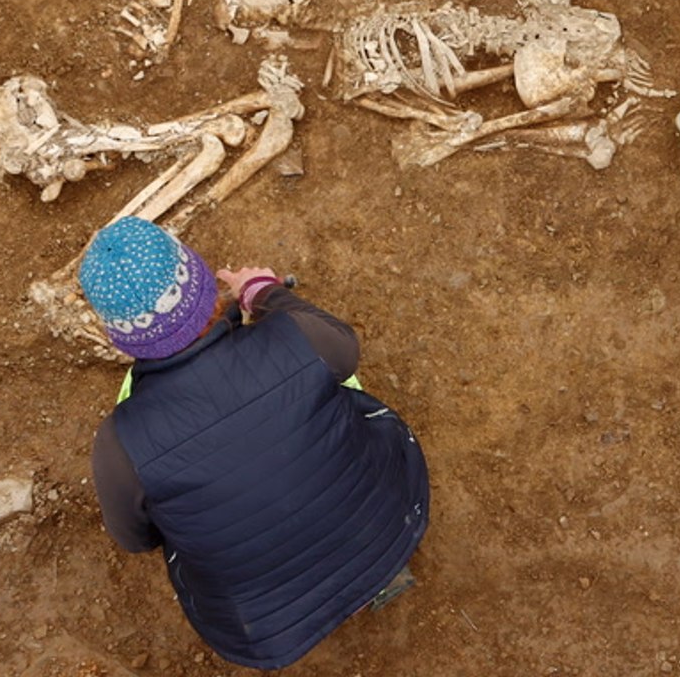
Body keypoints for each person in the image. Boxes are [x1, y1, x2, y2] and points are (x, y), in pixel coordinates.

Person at [78, 216, 430, 670]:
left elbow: (136, 539)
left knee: (181, 526)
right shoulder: (297, 338)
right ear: (203, 287)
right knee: (340, 391)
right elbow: (345, 349)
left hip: (263, 629)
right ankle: (375, 578)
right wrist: (263, 292)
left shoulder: (118, 444)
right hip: (391, 526)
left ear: (119, 337)